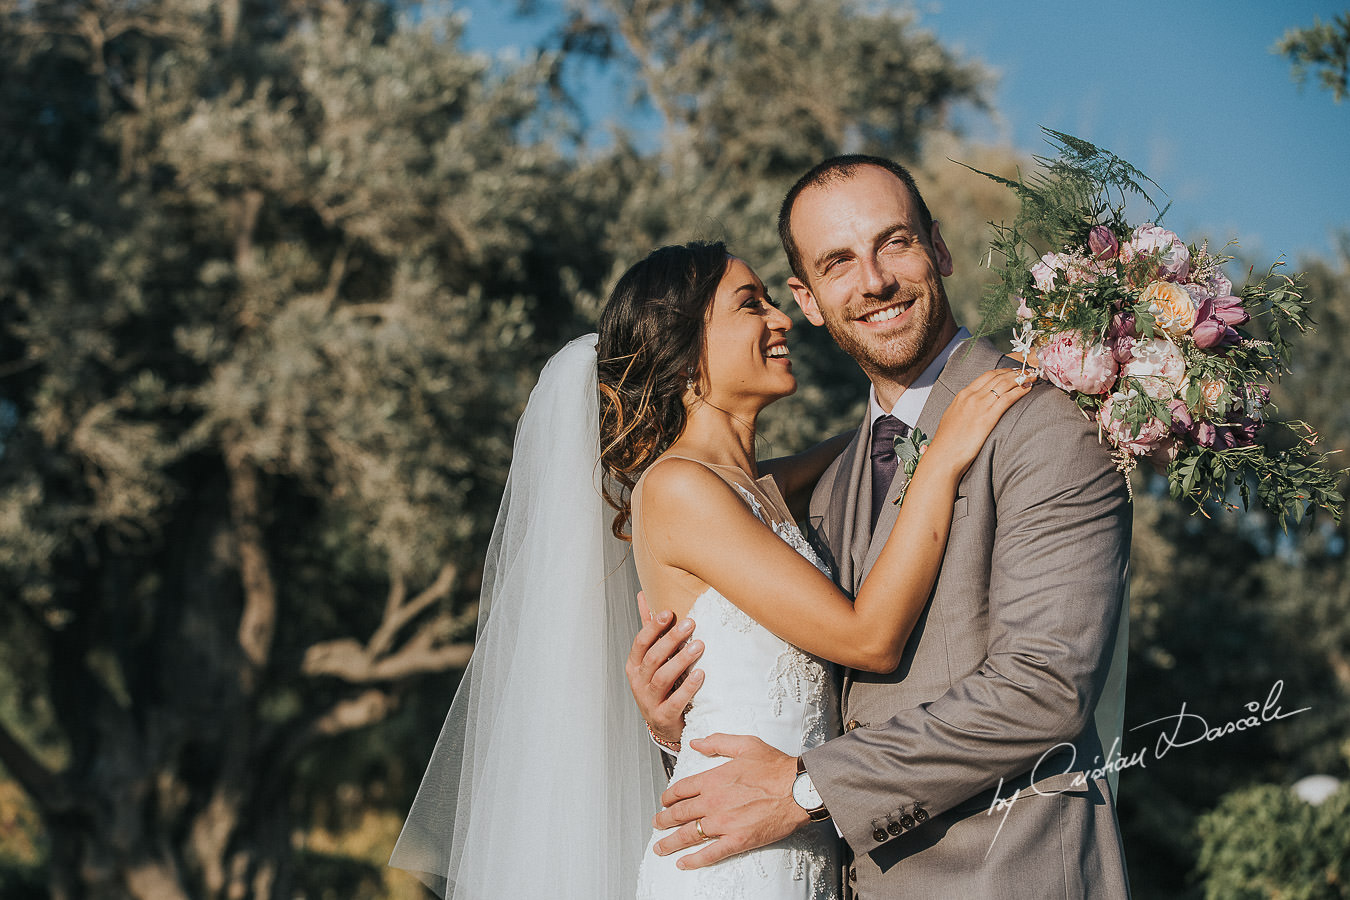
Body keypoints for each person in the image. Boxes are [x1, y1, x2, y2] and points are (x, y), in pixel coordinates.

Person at [390, 238, 1030, 899]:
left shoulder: (751, 487)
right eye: (751, 305)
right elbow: (869, 637)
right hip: (729, 867)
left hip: (795, 849)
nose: (781, 319)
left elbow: (875, 439)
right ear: (685, 347)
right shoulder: (677, 490)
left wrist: (939, 409)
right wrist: (945, 454)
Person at [628, 157, 1132, 899]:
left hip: (1006, 875)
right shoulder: (821, 484)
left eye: (895, 243)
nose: (874, 281)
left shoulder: (1040, 422)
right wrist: (675, 720)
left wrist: (805, 791)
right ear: (810, 299)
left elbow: (1046, 689)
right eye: (838, 262)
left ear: (939, 248)